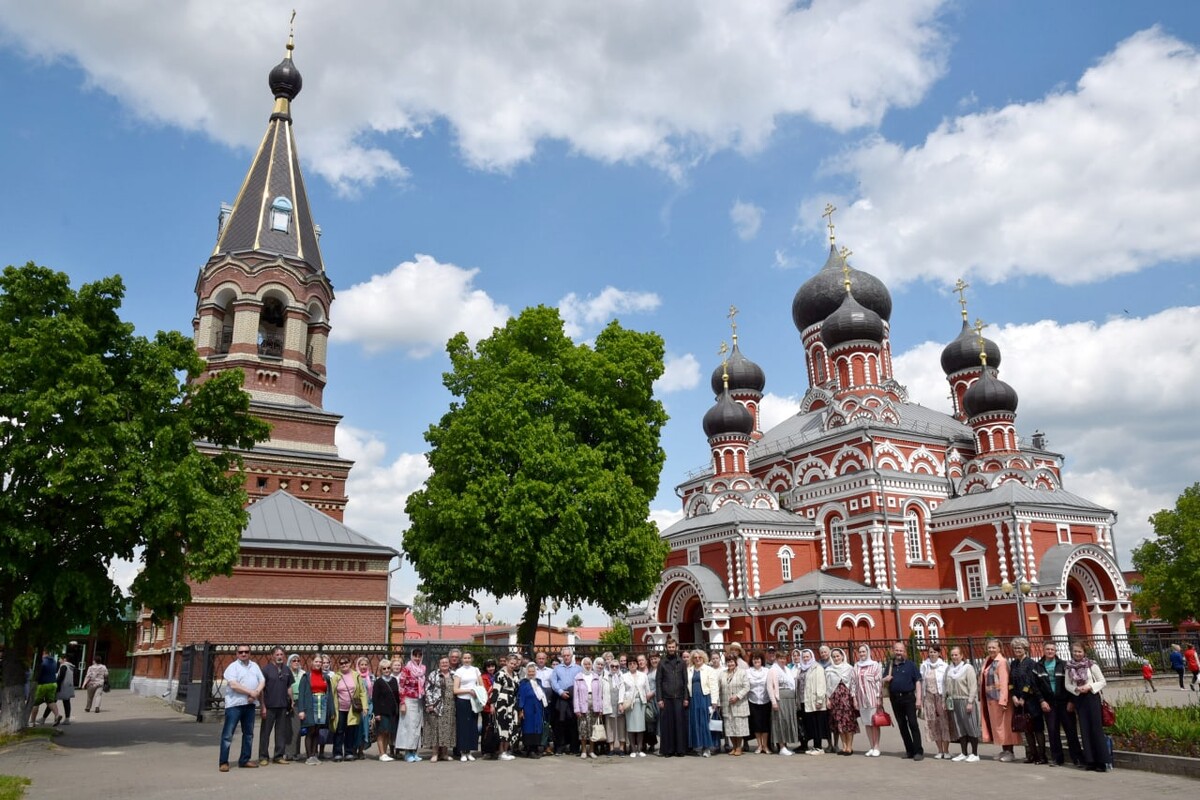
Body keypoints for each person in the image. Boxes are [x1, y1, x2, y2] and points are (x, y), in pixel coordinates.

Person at [1032, 641, 1083, 768]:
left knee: (1070, 731)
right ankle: (1057, 758)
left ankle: (1077, 758)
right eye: (1047, 649)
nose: (1050, 651)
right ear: (1043, 650)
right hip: (1049, 704)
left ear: (1056, 651)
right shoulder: (1038, 666)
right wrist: (1042, 701)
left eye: (1052, 649)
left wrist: (1071, 701)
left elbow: (1072, 683)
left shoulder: (1064, 665)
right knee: (1053, 732)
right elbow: (1035, 687)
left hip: (1064, 703)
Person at [1065, 642, 1109, 773]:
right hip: (1079, 698)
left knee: (1096, 728)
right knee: (1084, 729)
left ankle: (1101, 761)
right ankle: (1090, 760)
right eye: (1075, 652)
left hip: (1091, 697)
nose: (1077, 654)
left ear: (1084, 652)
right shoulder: (1069, 667)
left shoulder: (1091, 664)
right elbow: (1067, 684)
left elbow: (1102, 681)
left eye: (1079, 651)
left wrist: (1089, 687)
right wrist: (1076, 689)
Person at [219, 645, 264, 772]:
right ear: (237, 653)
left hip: (249, 705)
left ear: (250, 653)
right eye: (241, 652)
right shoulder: (232, 667)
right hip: (235, 705)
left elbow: (262, 681)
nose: (243, 654)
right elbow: (233, 685)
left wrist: (255, 692)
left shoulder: (254, 666)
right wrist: (251, 692)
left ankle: (244, 759)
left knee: (249, 734)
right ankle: (223, 762)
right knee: (228, 735)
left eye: (246, 652)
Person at [980, 637, 1019, 762]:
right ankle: (1004, 750)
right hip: (990, 699)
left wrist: (1004, 700)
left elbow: (1004, 682)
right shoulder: (988, 660)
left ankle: (1010, 752)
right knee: (998, 727)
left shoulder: (1001, 662)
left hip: (1000, 700)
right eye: (989, 647)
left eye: (993, 647)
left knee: (1005, 726)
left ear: (999, 648)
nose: (991, 649)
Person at [1008, 637, 1044, 764]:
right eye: (1015, 648)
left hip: (1031, 700)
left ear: (1025, 649)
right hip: (1018, 701)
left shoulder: (1031, 663)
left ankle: (1041, 756)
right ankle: (1031, 755)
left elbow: (1030, 682)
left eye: (1019, 648)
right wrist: (1013, 696)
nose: (1017, 650)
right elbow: (1010, 682)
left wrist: (1023, 697)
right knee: (1026, 729)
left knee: (1037, 728)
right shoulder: (1013, 664)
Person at [257, 646, 294, 765]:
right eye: (277, 654)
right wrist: (262, 706)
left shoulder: (287, 670)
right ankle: (263, 756)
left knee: (281, 732)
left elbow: (289, 687)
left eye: (281, 655)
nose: (279, 657)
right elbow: (261, 690)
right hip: (269, 706)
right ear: (272, 656)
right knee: (265, 732)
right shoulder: (266, 670)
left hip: (282, 706)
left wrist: (292, 701)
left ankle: (278, 755)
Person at [944, 645, 980, 762]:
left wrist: (970, 701)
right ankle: (963, 752)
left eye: (956, 655)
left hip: (965, 700)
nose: (954, 657)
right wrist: (945, 699)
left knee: (971, 726)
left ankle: (974, 753)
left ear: (961, 656)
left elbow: (973, 686)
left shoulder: (967, 668)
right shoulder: (949, 669)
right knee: (959, 727)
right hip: (954, 701)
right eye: (952, 655)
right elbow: (945, 686)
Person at [655, 638, 688, 757]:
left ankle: (680, 750)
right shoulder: (662, 663)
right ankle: (668, 750)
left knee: (679, 725)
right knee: (667, 726)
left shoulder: (681, 662)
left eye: (673, 647)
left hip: (679, 697)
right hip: (666, 698)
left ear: (676, 647)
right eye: (669, 647)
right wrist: (659, 699)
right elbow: (658, 682)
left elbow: (685, 681)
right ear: (666, 648)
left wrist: (686, 698)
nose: (671, 649)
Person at [296, 651, 330, 765]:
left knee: (317, 730)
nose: (319, 664)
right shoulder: (306, 677)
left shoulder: (325, 677)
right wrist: (301, 710)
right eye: (316, 661)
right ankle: (309, 756)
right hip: (310, 705)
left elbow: (327, 691)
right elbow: (301, 694)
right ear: (311, 662)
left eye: (320, 662)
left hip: (321, 705)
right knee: (310, 730)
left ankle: (314, 755)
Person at [919, 644, 951, 759]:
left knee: (944, 722)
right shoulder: (924, 665)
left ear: (939, 653)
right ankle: (939, 750)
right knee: (933, 723)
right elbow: (921, 683)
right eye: (930, 652)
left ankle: (946, 750)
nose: (932, 654)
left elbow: (947, 682)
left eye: (934, 652)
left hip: (940, 697)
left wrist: (946, 699)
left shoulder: (944, 666)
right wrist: (921, 700)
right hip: (929, 698)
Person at [423, 656, 456, 763]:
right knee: (435, 729)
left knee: (447, 730)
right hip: (437, 706)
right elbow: (427, 689)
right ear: (439, 664)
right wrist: (430, 704)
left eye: (446, 662)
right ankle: (435, 754)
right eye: (442, 663)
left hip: (450, 706)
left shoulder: (454, 674)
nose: (445, 664)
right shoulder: (434, 674)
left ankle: (445, 754)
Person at [825, 648, 858, 756]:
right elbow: (827, 685)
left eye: (838, 656)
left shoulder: (849, 668)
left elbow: (853, 684)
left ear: (842, 656)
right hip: (835, 698)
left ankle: (850, 746)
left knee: (848, 722)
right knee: (839, 723)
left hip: (847, 697)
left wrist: (854, 698)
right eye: (834, 657)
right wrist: (827, 699)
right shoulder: (829, 669)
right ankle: (843, 746)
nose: (836, 658)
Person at [852, 644, 883, 757]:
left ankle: (877, 746)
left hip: (872, 698)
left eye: (864, 651)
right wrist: (854, 698)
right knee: (867, 723)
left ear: (868, 652)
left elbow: (879, 682)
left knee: (874, 723)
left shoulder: (875, 665)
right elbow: (853, 683)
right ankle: (871, 746)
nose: (862, 654)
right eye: (860, 652)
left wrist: (879, 697)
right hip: (861, 699)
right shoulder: (857, 666)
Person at [686, 649, 718, 757]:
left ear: (703, 658)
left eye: (699, 657)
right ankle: (697, 747)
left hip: (705, 698)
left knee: (705, 723)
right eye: (695, 658)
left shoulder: (709, 670)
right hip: (693, 699)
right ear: (692, 659)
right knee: (695, 722)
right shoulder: (689, 670)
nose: (697, 659)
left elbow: (714, 686)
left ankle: (707, 748)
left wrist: (714, 701)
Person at [396, 647, 426, 762]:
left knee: (417, 726)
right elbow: (401, 687)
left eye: (419, 656)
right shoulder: (406, 669)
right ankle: (407, 752)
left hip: (418, 700)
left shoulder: (422, 669)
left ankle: (414, 751)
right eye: (415, 656)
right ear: (411, 656)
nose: (417, 658)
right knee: (408, 726)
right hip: (408, 699)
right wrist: (402, 703)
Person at [551, 647, 582, 755]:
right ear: (562, 657)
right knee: (560, 723)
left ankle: (574, 748)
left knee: (573, 723)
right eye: (564, 656)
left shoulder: (578, 668)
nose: (566, 657)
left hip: (574, 698)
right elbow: (553, 682)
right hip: (561, 697)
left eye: (568, 655)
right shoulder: (557, 668)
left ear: (572, 656)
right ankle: (560, 747)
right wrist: (560, 692)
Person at [452, 651, 482, 761]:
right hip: (462, 701)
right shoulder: (459, 672)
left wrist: (476, 692)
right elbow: (455, 690)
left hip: (473, 702)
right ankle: (462, 752)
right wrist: (469, 691)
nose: (467, 660)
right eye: (465, 658)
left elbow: (480, 685)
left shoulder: (476, 670)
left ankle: (469, 751)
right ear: (462, 659)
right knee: (462, 727)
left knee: (472, 727)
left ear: (472, 659)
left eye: (469, 658)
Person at [767, 648, 797, 756]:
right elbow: (770, 687)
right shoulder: (773, 670)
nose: (782, 660)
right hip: (780, 699)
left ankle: (786, 745)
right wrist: (774, 702)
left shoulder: (787, 669)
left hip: (789, 700)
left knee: (787, 722)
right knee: (780, 722)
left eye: (784, 658)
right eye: (780, 658)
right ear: (776, 659)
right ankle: (781, 746)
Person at [720, 652, 750, 756]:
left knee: (739, 727)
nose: (730, 664)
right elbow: (719, 689)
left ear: (735, 662)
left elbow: (747, 687)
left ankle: (739, 747)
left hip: (739, 704)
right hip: (726, 705)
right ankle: (733, 747)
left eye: (732, 661)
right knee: (729, 727)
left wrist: (737, 696)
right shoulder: (722, 674)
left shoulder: (742, 672)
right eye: (728, 662)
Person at [798, 648, 827, 755]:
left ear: (811, 657)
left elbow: (821, 684)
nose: (805, 659)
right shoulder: (801, 668)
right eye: (804, 657)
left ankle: (819, 747)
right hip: (804, 700)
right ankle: (814, 746)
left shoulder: (817, 668)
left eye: (807, 657)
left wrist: (819, 700)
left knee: (817, 723)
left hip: (814, 700)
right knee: (811, 724)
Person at [491, 653, 520, 760]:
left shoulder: (516, 675)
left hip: (512, 702)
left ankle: (506, 751)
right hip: (502, 702)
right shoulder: (500, 674)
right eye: (511, 663)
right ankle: (501, 752)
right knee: (502, 726)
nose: (513, 665)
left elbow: (517, 690)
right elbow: (495, 690)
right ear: (507, 662)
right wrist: (492, 705)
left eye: (515, 664)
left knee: (511, 726)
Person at [573, 656, 603, 758]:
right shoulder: (578, 677)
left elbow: (599, 694)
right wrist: (577, 709)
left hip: (594, 704)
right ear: (582, 665)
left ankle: (591, 750)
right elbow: (576, 695)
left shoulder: (595, 677)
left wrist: (600, 708)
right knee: (583, 728)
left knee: (592, 728)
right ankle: (584, 750)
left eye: (589, 664)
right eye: (585, 664)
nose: (587, 666)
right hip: (583, 705)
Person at [621, 653, 649, 757]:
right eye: (630, 664)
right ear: (627, 665)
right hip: (629, 704)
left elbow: (647, 690)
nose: (632, 665)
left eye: (634, 663)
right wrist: (621, 703)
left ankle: (640, 749)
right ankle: (632, 749)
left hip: (641, 703)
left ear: (637, 665)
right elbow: (622, 691)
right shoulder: (624, 677)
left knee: (641, 727)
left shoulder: (643, 676)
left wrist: (647, 699)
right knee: (631, 727)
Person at [517, 662, 547, 757]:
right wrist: (520, 710)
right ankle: (530, 750)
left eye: (533, 671)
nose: (531, 673)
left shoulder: (538, 681)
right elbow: (520, 696)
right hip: (528, 709)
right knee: (528, 727)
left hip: (538, 708)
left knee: (537, 727)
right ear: (526, 672)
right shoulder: (523, 682)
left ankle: (535, 747)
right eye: (529, 672)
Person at [372, 658, 399, 761]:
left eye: (388, 668)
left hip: (392, 711)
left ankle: (385, 752)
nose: (387, 670)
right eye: (384, 669)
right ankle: (381, 753)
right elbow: (375, 698)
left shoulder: (394, 680)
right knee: (381, 732)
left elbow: (396, 696)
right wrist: (377, 713)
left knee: (388, 732)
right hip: (382, 711)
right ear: (381, 670)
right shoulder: (378, 682)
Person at [746, 651, 771, 755]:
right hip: (753, 700)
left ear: (762, 660)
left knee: (765, 724)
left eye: (758, 659)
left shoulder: (767, 671)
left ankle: (765, 745)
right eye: (754, 659)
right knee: (756, 724)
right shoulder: (748, 671)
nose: (756, 660)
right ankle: (759, 745)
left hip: (765, 700)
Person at [602, 655, 628, 755]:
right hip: (609, 705)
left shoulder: (622, 677)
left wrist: (621, 703)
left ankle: (621, 748)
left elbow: (624, 691)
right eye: (612, 666)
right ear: (609, 666)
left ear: (619, 667)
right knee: (610, 727)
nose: (614, 668)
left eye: (616, 666)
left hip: (620, 704)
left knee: (621, 726)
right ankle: (611, 748)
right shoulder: (605, 677)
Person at [29, 650, 61, 727]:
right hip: (53, 683)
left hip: (42, 684)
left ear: (43, 652)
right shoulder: (53, 661)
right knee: (50, 701)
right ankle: (57, 715)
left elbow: (38, 673)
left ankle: (32, 722)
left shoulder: (42, 662)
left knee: (35, 703)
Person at [285, 654, 305, 761]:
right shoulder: (286, 673)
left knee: (297, 729)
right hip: (289, 702)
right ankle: (288, 753)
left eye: (298, 660)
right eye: (293, 660)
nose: (296, 662)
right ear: (289, 662)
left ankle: (296, 752)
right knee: (289, 728)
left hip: (300, 702)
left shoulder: (303, 674)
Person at [354, 656, 375, 758]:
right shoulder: (354, 676)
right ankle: (353, 749)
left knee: (365, 728)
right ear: (358, 666)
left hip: (368, 705)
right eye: (361, 664)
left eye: (365, 664)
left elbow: (374, 692)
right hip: (357, 706)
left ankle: (361, 750)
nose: (363, 666)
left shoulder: (371, 677)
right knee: (356, 727)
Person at [53, 654, 76, 725]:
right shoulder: (71, 666)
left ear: (64, 659)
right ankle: (67, 719)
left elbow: (61, 677)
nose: (59, 660)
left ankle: (45, 718)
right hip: (68, 686)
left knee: (52, 702)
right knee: (66, 702)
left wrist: (56, 684)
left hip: (61, 686)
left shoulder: (64, 666)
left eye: (60, 658)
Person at [644, 651, 660, 753]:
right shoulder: (649, 671)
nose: (653, 660)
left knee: (660, 722)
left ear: (659, 659)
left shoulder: (661, 670)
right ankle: (652, 744)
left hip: (658, 698)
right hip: (649, 700)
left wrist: (652, 693)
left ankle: (663, 745)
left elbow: (661, 684)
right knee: (650, 722)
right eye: (652, 659)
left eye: (655, 658)